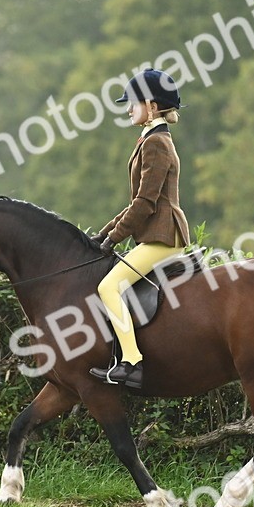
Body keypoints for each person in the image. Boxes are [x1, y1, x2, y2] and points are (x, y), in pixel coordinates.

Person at [88, 68, 191, 390]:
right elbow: (136, 201)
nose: (128, 109)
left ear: (151, 105)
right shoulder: (152, 139)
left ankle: (132, 361)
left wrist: (114, 239)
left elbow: (145, 203)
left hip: (163, 235)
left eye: (132, 103)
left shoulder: (157, 143)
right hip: (155, 233)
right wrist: (104, 234)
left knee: (109, 287)